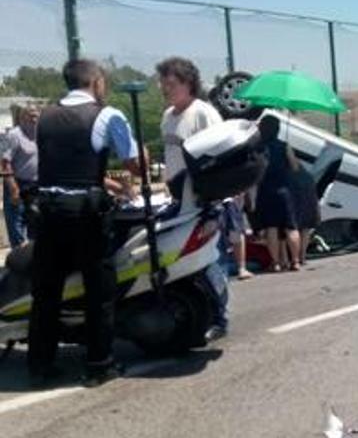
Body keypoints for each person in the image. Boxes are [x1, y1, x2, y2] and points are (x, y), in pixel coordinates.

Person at [29, 59, 143, 388]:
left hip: (48, 212)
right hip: (85, 216)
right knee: (99, 290)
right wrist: (139, 162)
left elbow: (63, 166)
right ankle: (99, 364)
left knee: (46, 291)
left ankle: (40, 364)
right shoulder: (107, 115)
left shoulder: (45, 117)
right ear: (95, 81)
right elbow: (133, 165)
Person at [157, 56, 234, 341]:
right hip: (179, 198)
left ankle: (221, 317)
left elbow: (220, 153)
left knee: (210, 260)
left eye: (171, 83)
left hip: (205, 198)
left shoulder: (203, 113)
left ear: (189, 83)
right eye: (163, 83)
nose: (165, 88)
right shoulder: (168, 116)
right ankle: (199, 315)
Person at [253, 116, 301, 272]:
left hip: (265, 191)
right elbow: (295, 167)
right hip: (284, 191)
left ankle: (276, 263)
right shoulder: (284, 146)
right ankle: (295, 261)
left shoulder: (257, 148)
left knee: (271, 228)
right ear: (278, 129)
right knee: (291, 227)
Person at [2, 104, 40, 248]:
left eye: (37, 114)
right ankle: (18, 263)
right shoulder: (14, 135)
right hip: (17, 185)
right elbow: (5, 163)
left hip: (35, 186)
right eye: (30, 114)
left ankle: (32, 263)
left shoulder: (39, 134)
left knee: (35, 224)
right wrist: (13, 189)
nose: (34, 118)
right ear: (22, 117)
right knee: (17, 226)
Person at [288, 151, 320, 267]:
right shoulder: (307, 174)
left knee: (292, 229)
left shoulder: (288, 174)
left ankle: (294, 258)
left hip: (296, 202)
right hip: (309, 201)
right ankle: (302, 257)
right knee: (305, 230)